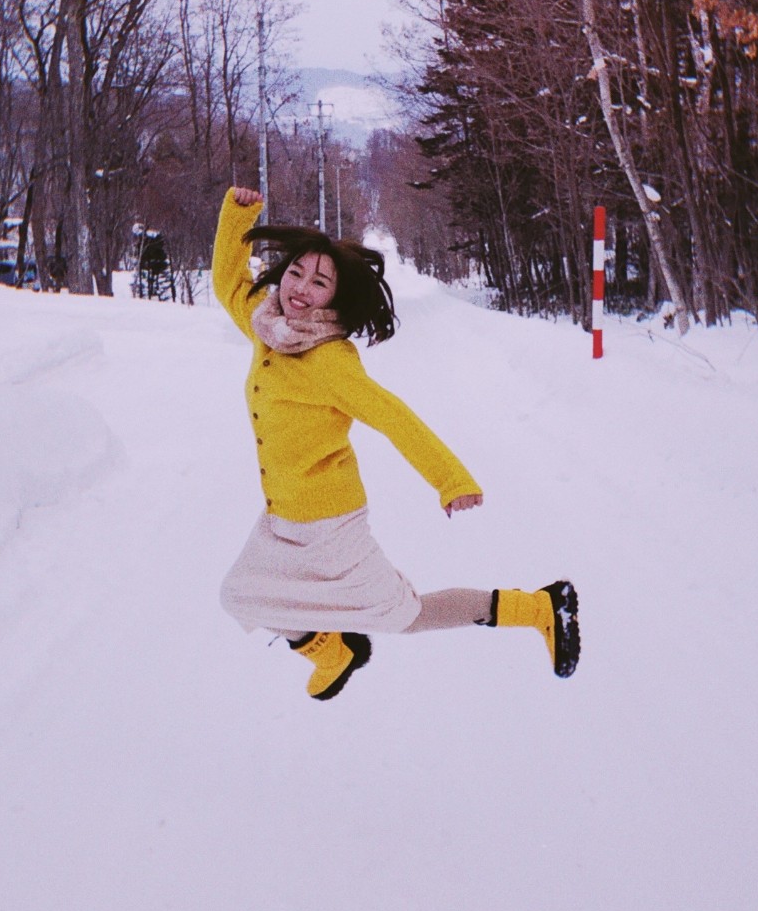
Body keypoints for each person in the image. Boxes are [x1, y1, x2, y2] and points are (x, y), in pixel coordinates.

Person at [213, 186, 580, 700]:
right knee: (242, 596)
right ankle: (331, 649)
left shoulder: (329, 358)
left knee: (403, 616)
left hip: (328, 525)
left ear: (335, 298)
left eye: (320, 283)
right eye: (296, 272)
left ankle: (542, 608)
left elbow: (393, 418)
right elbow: (228, 282)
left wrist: (450, 479)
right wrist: (240, 213)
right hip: (280, 519)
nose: (301, 287)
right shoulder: (267, 326)